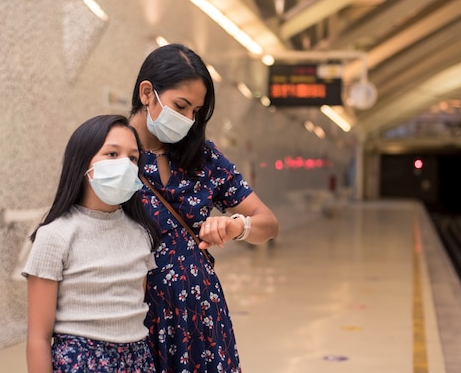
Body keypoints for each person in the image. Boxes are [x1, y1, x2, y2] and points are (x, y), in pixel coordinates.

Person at [128, 43, 279, 373]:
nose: (187, 120)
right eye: (180, 106)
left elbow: (268, 222)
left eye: (195, 111)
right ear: (147, 92)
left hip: (199, 316)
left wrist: (238, 226)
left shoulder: (204, 158)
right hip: (131, 318)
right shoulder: (112, 149)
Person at [22, 114, 161, 373]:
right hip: (81, 360)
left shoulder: (142, 233)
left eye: (132, 158)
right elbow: (38, 338)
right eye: (111, 154)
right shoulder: (56, 234)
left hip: (137, 359)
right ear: (82, 163)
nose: (125, 165)